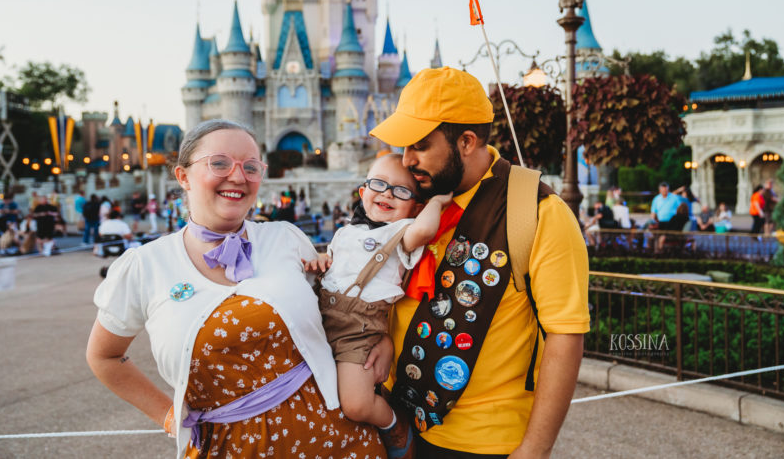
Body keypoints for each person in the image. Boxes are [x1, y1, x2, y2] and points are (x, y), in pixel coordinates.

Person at [86, 119, 385, 458]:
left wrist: (382, 339)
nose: (238, 177)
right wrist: (170, 418)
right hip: (227, 449)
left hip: (338, 440)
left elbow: (347, 309)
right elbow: (104, 356)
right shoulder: (145, 265)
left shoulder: (284, 238)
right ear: (183, 176)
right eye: (219, 163)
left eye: (251, 167)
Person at [368, 67, 589, 458]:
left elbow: (565, 336)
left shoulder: (539, 212)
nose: (406, 159)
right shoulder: (415, 199)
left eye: (419, 145)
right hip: (397, 424)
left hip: (482, 443)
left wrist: (534, 450)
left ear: (467, 141)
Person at [305, 153, 451, 449]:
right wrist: (322, 260)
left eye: (401, 190)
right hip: (322, 320)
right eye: (379, 184)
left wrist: (435, 203)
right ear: (363, 192)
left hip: (357, 330)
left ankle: (394, 425)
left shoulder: (401, 232)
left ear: (415, 206)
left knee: (356, 404)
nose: (387, 193)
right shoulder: (347, 232)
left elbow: (425, 230)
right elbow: (337, 266)